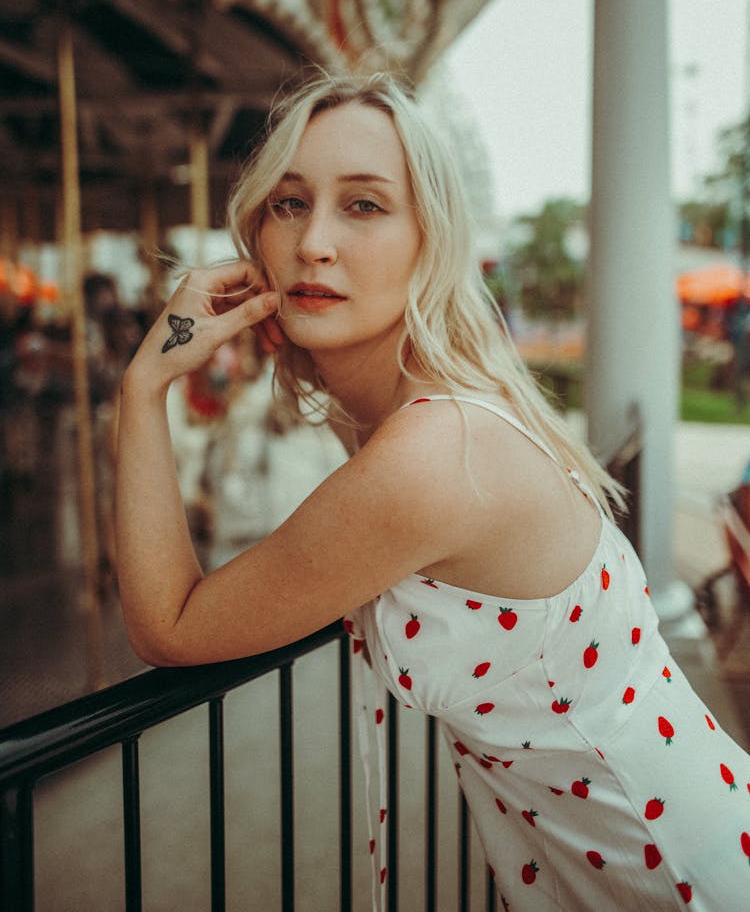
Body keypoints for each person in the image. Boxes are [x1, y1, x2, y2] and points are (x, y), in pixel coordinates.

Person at [115, 71, 750, 910]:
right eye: (289, 202)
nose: (313, 243)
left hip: (678, 875)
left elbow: (169, 624)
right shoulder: (442, 417)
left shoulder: (434, 455)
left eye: (365, 205)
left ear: (432, 236)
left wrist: (141, 388)